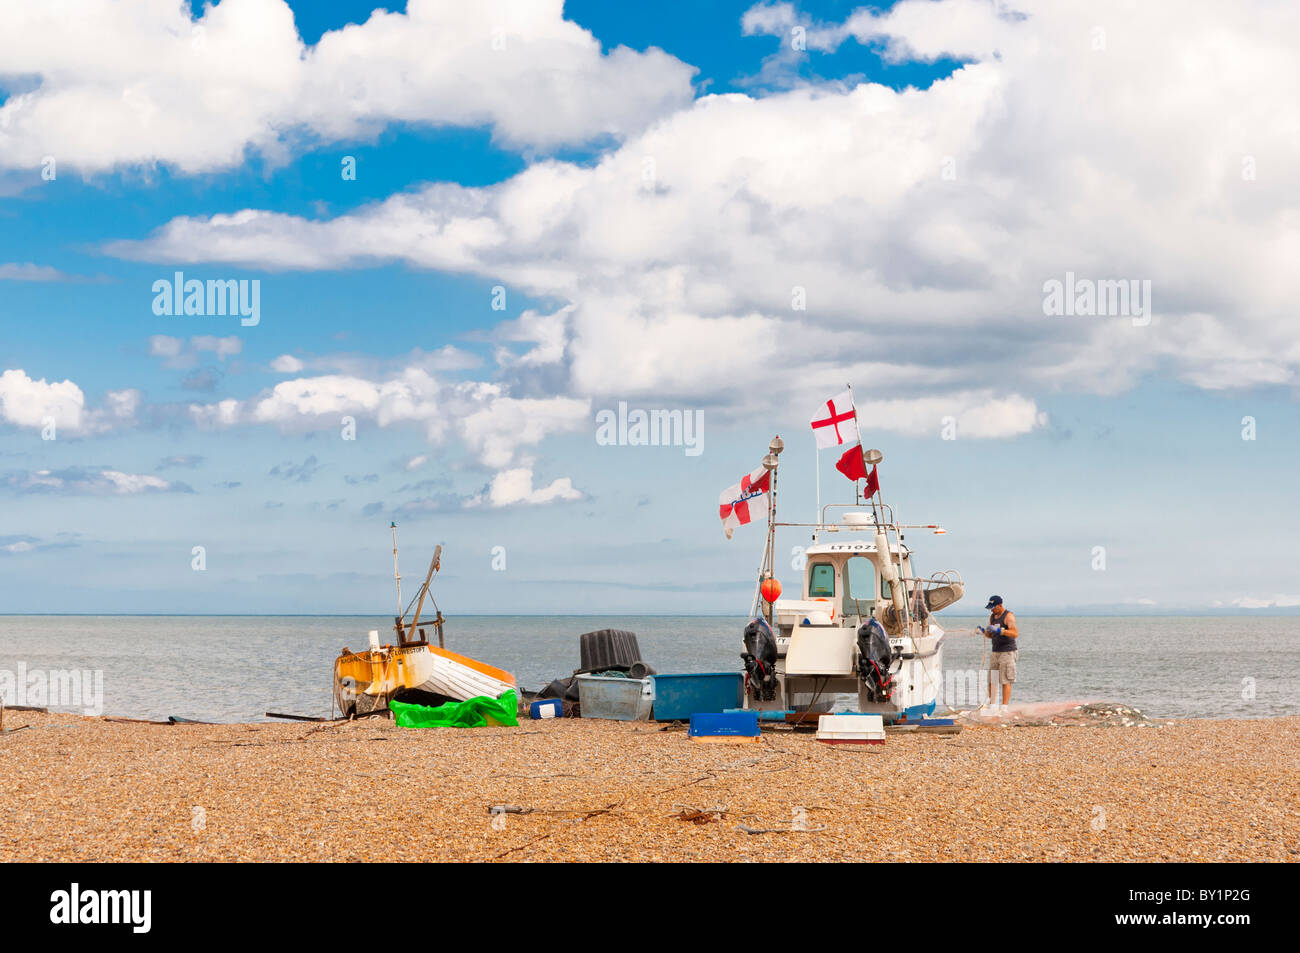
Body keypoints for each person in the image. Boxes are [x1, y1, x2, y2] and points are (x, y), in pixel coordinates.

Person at [982, 595, 1019, 707]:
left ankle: (1004, 707)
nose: (992, 610)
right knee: (992, 679)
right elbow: (990, 635)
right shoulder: (992, 617)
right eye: (990, 608)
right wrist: (984, 631)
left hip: (1007, 652)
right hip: (995, 651)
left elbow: (1014, 633)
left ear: (1000, 605)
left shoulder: (1008, 616)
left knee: (1005, 680)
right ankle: (992, 705)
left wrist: (1000, 631)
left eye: (993, 607)